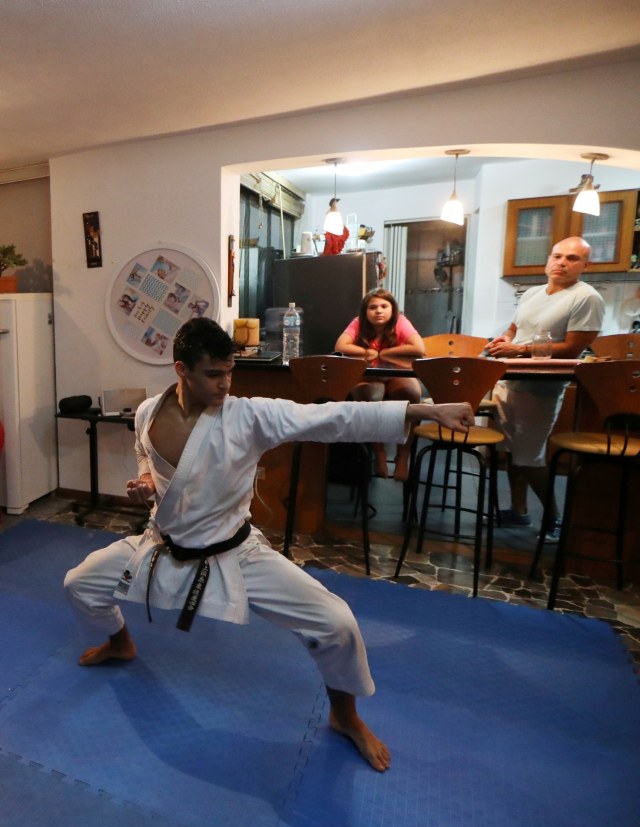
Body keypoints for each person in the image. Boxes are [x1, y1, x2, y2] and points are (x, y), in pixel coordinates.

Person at [64, 317, 474, 774]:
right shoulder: (146, 412)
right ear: (181, 369)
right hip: (163, 544)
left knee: (337, 622)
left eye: (229, 373)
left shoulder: (248, 416)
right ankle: (121, 642)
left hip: (235, 552)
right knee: (79, 583)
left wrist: (424, 411)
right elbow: (147, 457)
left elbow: (331, 417)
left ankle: (345, 716)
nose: (225, 384)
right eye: (213, 375)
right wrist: (145, 481)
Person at [485, 236, 605, 538]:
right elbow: (515, 329)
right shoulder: (532, 293)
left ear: (586, 265)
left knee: (529, 455)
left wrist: (520, 351)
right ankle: (519, 511)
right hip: (509, 379)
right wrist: (504, 341)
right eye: (557, 256)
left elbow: (572, 348)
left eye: (572, 258)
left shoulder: (586, 297)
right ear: (548, 260)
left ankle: (554, 517)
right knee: (512, 451)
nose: (561, 263)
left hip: (542, 386)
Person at [334, 288, 426, 481]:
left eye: (384, 306)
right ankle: (379, 453)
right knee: (370, 398)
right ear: (365, 311)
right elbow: (340, 346)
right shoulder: (358, 323)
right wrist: (367, 353)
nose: (379, 311)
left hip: (396, 374)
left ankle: (402, 457)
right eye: (372, 307)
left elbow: (419, 348)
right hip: (367, 376)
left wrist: (385, 353)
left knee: (411, 395)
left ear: (393, 309)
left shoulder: (401, 321)